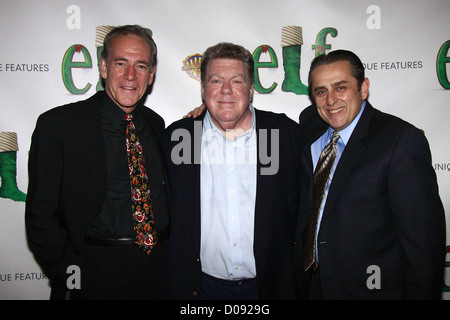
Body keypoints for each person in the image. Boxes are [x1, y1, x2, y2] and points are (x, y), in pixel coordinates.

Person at [25, 25, 170, 300]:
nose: (130, 76)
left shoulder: (155, 124)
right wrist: (72, 273)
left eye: (141, 66)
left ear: (151, 75)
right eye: (120, 63)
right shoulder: (58, 125)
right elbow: (40, 215)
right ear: (104, 67)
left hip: (158, 272)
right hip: (92, 272)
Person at [293, 49, 446, 299]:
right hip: (313, 288)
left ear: (363, 89)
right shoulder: (310, 129)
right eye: (321, 91)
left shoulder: (401, 141)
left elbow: (424, 248)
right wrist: (204, 120)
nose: (331, 100)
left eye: (340, 87)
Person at [164, 42, 301, 299]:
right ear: (203, 89)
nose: (226, 90)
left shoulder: (281, 134)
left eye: (237, 81)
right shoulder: (180, 138)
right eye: (216, 81)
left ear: (251, 89)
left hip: (267, 288)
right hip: (200, 289)